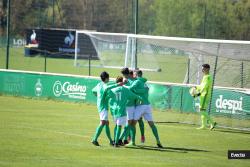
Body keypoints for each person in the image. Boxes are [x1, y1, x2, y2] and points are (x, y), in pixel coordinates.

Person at [106, 76, 142, 147]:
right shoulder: (125, 90)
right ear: (122, 82)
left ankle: (114, 140)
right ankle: (116, 142)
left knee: (116, 126)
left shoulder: (113, 90)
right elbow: (134, 96)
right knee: (119, 126)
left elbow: (107, 95)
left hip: (114, 111)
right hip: (122, 110)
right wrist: (140, 98)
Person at [130, 70, 163, 148]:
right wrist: (139, 91)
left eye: (134, 74)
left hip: (141, 105)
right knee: (151, 124)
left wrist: (123, 86)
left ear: (137, 74)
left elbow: (130, 88)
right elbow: (145, 90)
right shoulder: (144, 83)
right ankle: (158, 140)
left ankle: (132, 142)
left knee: (132, 124)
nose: (133, 75)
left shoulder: (137, 81)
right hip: (147, 105)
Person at [91, 71, 113, 146]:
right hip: (103, 106)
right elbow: (110, 94)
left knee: (107, 123)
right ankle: (94, 139)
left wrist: (98, 97)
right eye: (108, 78)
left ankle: (111, 140)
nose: (109, 79)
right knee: (103, 122)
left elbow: (93, 91)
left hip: (100, 105)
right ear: (106, 78)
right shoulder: (105, 85)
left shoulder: (99, 84)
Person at [194, 64, 216, 130]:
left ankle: (213, 122)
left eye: (203, 68)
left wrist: (198, 93)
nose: (202, 70)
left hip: (205, 95)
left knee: (201, 110)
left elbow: (205, 86)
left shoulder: (208, 77)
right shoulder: (205, 76)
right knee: (203, 110)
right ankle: (203, 126)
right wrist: (196, 87)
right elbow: (201, 86)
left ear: (207, 69)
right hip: (203, 95)